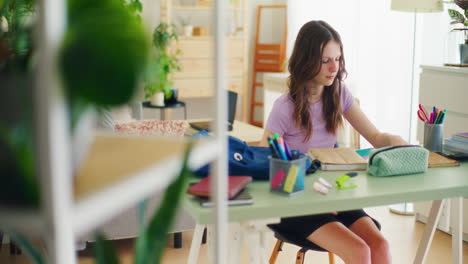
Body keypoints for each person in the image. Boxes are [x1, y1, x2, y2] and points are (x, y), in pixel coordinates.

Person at [260, 20, 406, 264]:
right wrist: (312, 196)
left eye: (337, 59)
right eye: (325, 60)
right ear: (306, 60)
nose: (334, 67)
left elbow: (377, 137)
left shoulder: (338, 93)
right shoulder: (284, 107)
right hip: (294, 202)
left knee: (379, 245)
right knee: (359, 250)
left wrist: (400, 143)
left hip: (330, 193)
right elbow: (265, 160)